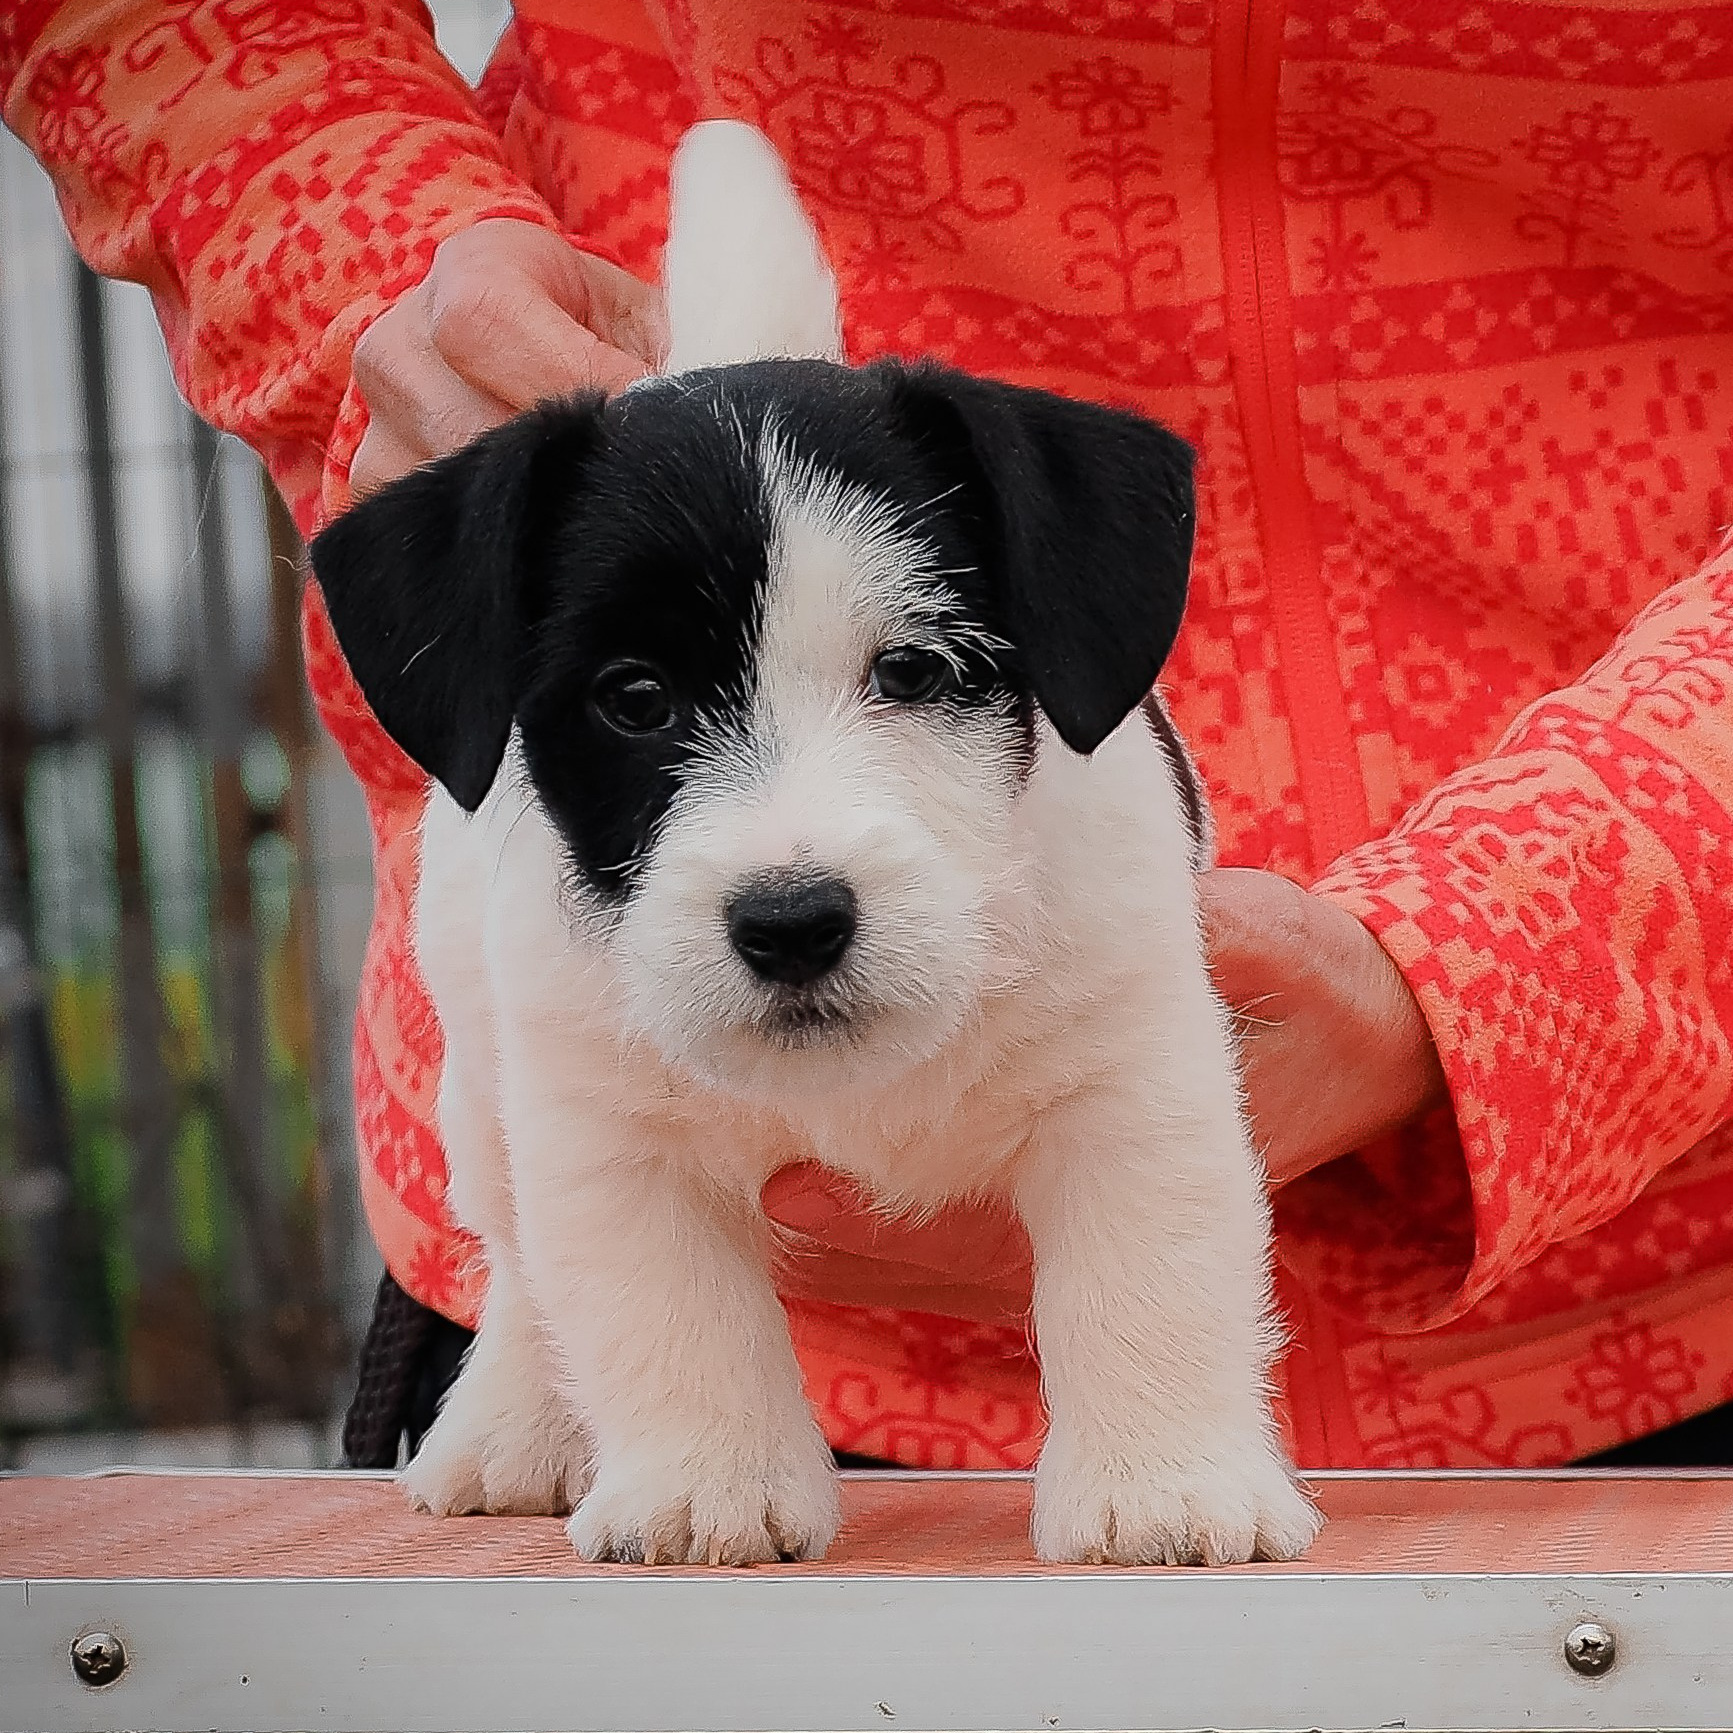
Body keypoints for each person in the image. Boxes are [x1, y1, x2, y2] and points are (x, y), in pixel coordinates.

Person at [10, 0, 1733, 1475]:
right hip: (657, 1296)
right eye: (635, 706)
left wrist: (1526, 946)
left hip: (1652, 1262)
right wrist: (384, 270)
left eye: (913, 675)